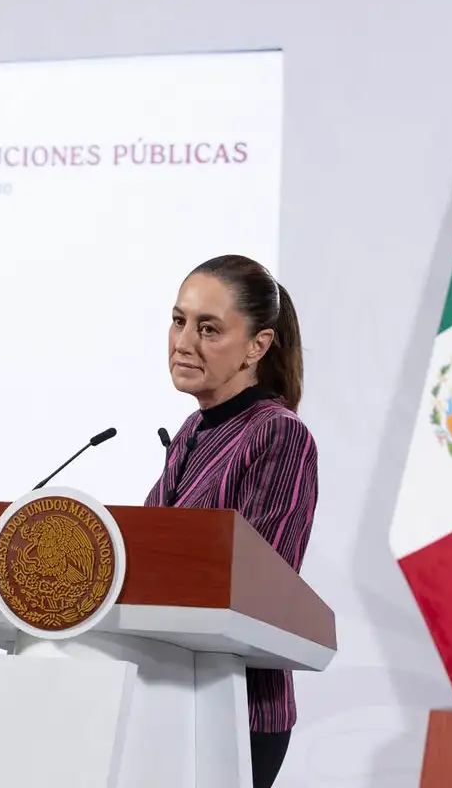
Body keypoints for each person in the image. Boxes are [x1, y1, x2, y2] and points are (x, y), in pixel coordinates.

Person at [143, 254, 319, 788]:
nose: (183, 342)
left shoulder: (278, 435)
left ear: (257, 347)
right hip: (169, 700)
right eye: (179, 321)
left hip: (235, 710)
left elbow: (260, 588)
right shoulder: (192, 432)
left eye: (209, 329)